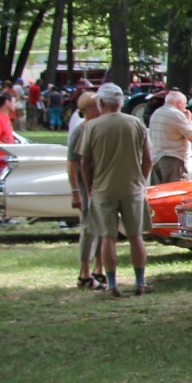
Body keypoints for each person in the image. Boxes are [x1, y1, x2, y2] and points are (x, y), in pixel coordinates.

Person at [79, 83, 153, 296]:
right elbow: (148, 158)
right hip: (133, 188)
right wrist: (141, 179)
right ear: (121, 102)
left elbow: (84, 161)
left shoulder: (92, 126)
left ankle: (112, 283)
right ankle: (140, 281)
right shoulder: (136, 123)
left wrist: (90, 184)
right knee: (135, 236)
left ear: (101, 103)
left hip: (103, 190)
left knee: (107, 237)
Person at [67, 92, 108, 288]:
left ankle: (99, 268)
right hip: (86, 188)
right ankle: (83, 273)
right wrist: (75, 191)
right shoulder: (80, 131)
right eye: (95, 106)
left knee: (103, 229)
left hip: (101, 185)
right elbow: (72, 164)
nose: (99, 110)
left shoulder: (99, 129)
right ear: (86, 110)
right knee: (88, 229)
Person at [147, 90, 192, 185]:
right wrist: (189, 119)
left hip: (156, 159)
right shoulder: (176, 115)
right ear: (179, 103)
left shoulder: (156, 113)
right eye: (185, 104)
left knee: (159, 194)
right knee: (175, 194)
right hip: (173, 159)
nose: (185, 107)